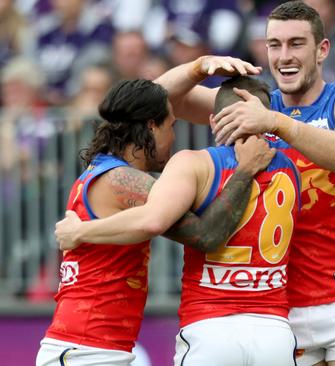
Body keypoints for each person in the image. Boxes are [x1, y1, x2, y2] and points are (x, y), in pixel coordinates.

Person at [55, 76, 301, 366]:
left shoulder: (189, 165)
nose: (174, 137)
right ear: (150, 126)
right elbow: (190, 229)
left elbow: (174, 223)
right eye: (171, 126)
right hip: (86, 346)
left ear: (214, 121)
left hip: (194, 329)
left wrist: (81, 231)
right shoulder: (293, 169)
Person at [212, 2, 335, 365]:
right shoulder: (256, 106)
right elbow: (161, 100)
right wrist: (196, 67)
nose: (284, 55)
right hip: (278, 305)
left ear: (322, 50)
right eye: (274, 45)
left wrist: (278, 123)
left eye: (296, 44)